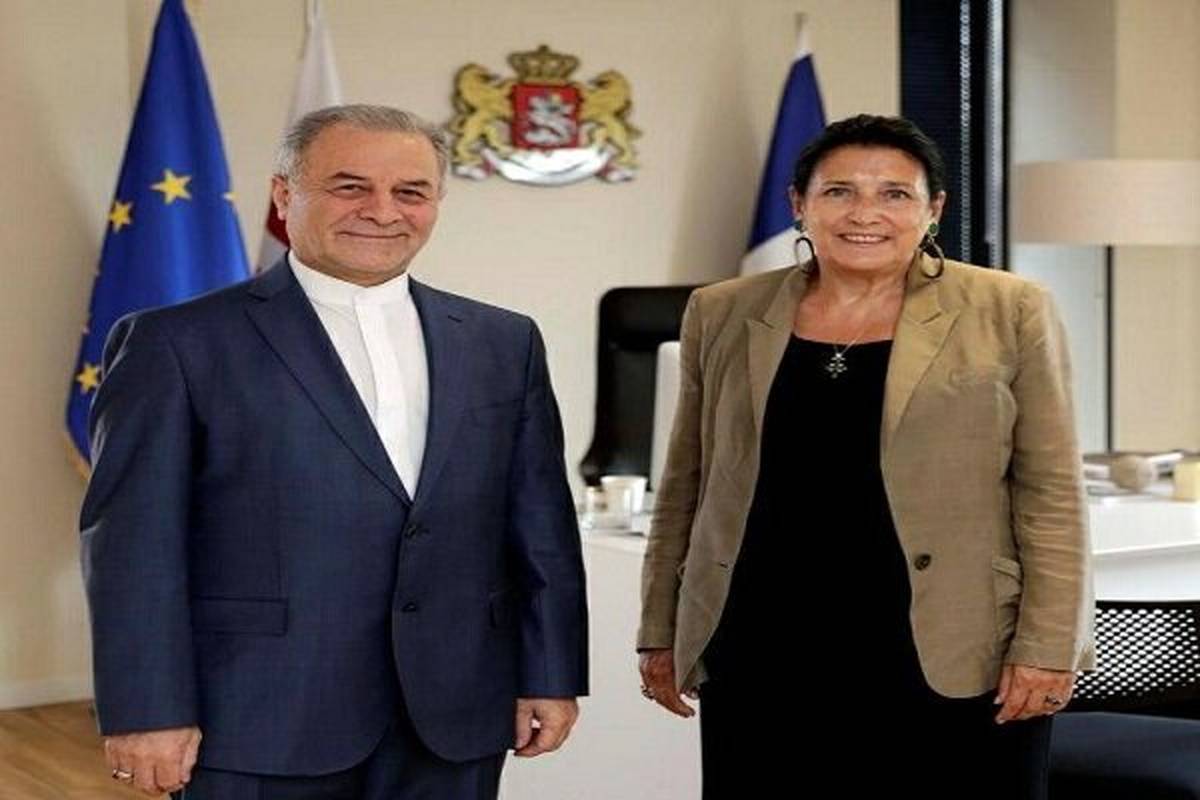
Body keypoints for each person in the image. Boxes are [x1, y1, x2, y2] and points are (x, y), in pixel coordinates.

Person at [81, 104, 588, 799]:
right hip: (257, 717)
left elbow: (540, 526)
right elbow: (133, 545)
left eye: (410, 191)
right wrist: (147, 710)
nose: (382, 211)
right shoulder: (176, 343)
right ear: (284, 195)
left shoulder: (504, 341)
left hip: (454, 712)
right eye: (350, 186)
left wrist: (551, 674)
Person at [636, 114, 1092, 798]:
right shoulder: (722, 309)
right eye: (839, 191)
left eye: (895, 194)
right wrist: (660, 629)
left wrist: (1048, 647)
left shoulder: (1009, 308)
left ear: (934, 209)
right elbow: (686, 482)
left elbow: (1051, 491)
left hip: (952, 644)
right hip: (763, 642)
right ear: (799, 203)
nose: (865, 214)